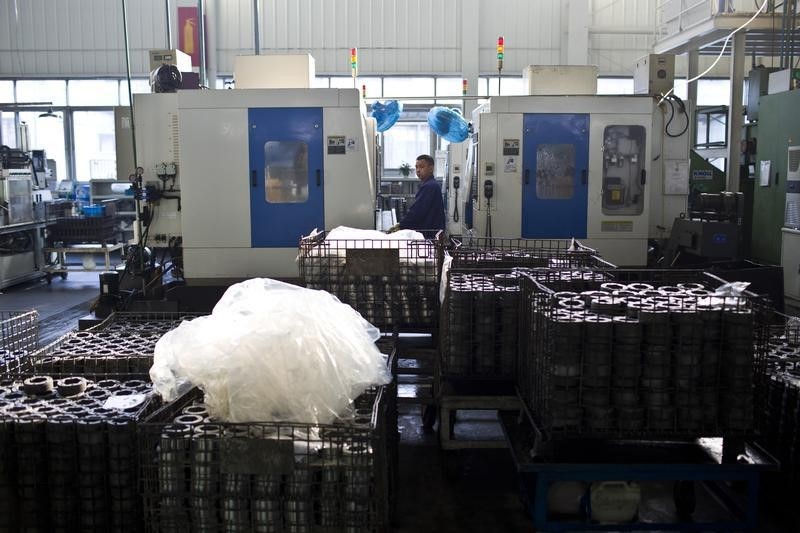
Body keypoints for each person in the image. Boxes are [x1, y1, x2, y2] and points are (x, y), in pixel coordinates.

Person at [389, 154, 445, 238]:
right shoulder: (430, 184)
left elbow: (416, 212)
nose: (418, 170)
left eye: (421, 167)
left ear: (431, 168)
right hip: (431, 234)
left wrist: (401, 226)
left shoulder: (429, 186)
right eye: (416, 167)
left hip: (429, 235)